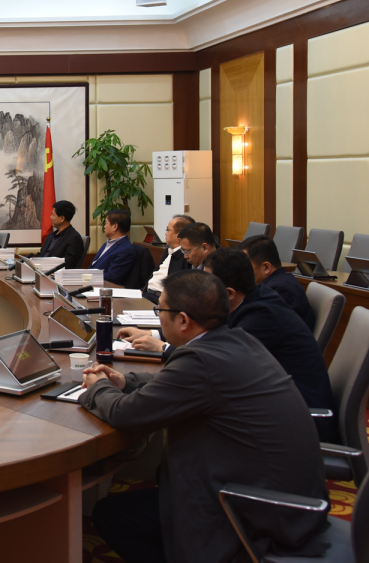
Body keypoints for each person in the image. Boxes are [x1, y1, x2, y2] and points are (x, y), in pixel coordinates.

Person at [82, 269, 329, 563]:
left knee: (111, 515)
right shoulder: (237, 339)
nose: (158, 316)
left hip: (257, 514)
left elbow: (124, 414)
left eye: (160, 310)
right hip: (291, 498)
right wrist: (126, 382)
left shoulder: (200, 360)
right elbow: (184, 384)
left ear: (183, 321)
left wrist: (97, 388)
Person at [121, 248, 335, 439]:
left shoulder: (262, 316)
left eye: (208, 283)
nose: (201, 288)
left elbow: (217, 362)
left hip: (295, 420)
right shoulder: (250, 299)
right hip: (271, 406)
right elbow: (207, 337)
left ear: (229, 293)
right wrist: (154, 334)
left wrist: (163, 348)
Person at [240, 234, 315, 332]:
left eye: (246, 267)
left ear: (266, 268)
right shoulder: (280, 281)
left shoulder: (282, 290)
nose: (242, 272)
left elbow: (262, 328)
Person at [141, 215, 194, 302]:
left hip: (159, 299)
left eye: (168, 230)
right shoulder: (168, 251)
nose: (166, 233)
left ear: (179, 234)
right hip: (147, 294)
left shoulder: (185, 256)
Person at [87, 209, 136, 285]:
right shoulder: (107, 243)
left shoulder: (126, 250)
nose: (104, 226)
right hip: (89, 283)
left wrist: (86, 275)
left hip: (103, 287)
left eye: (106, 223)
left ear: (114, 227)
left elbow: (112, 278)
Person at [36, 200, 84, 264]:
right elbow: (41, 255)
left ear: (62, 218)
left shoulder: (74, 238)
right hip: (40, 268)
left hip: (52, 270)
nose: (50, 217)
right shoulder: (51, 235)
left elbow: (68, 264)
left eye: (53, 215)